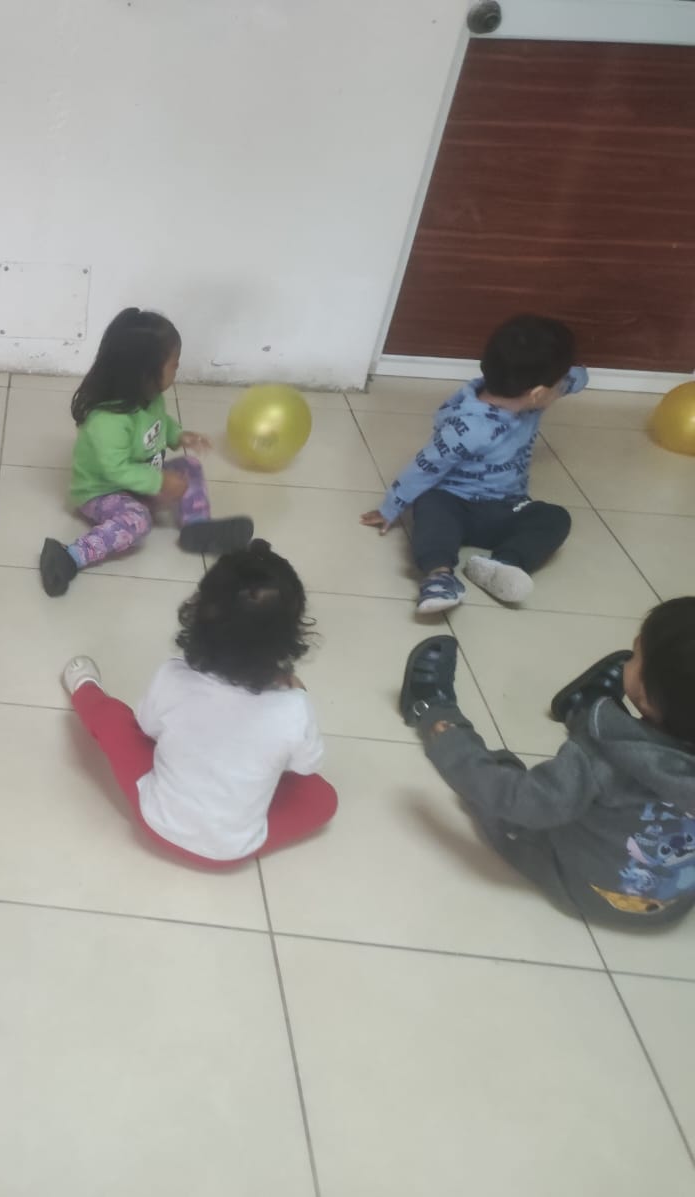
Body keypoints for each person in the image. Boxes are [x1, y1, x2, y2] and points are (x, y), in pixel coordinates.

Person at [401, 597, 695, 926]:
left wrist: (449, 747)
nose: (631, 654)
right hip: (669, 906)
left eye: (637, 656)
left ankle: (431, 710)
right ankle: (583, 708)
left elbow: (520, 801)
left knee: (503, 785)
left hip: (578, 885)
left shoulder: (603, 762)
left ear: (647, 699)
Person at [60, 540, 337, 865]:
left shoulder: (173, 676)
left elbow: (147, 729)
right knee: (323, 798)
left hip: (156, 822)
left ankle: (83, 686)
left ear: (198, 614)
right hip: (232, 850)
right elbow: (306, 765)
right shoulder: (295, 708)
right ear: (290, 638)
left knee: (114, 721)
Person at [360, 314, 588, 614]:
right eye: (559, 384)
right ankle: (439, 576)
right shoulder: (468, 426)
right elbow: (425, 467)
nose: (563, 387)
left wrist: (577, 373)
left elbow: (574, 379)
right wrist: (391, 507)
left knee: (555, 517)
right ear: (538, 393)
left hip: (509, 506)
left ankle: (503, 564)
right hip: (454, 504)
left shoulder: (534, 394)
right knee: (430, 505)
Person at [39, 308, 253, 597]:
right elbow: (116, 469)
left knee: (190, 466)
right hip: (101, 491)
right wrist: (159, 482)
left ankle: (196, 527)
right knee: (138, 520)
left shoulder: (150, 397)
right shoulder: (107, 421)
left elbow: (158, 423)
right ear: (145, 372)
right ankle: (71, 556)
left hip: (142, 478)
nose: (177, 368)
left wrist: (177, 435)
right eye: (173, 364)